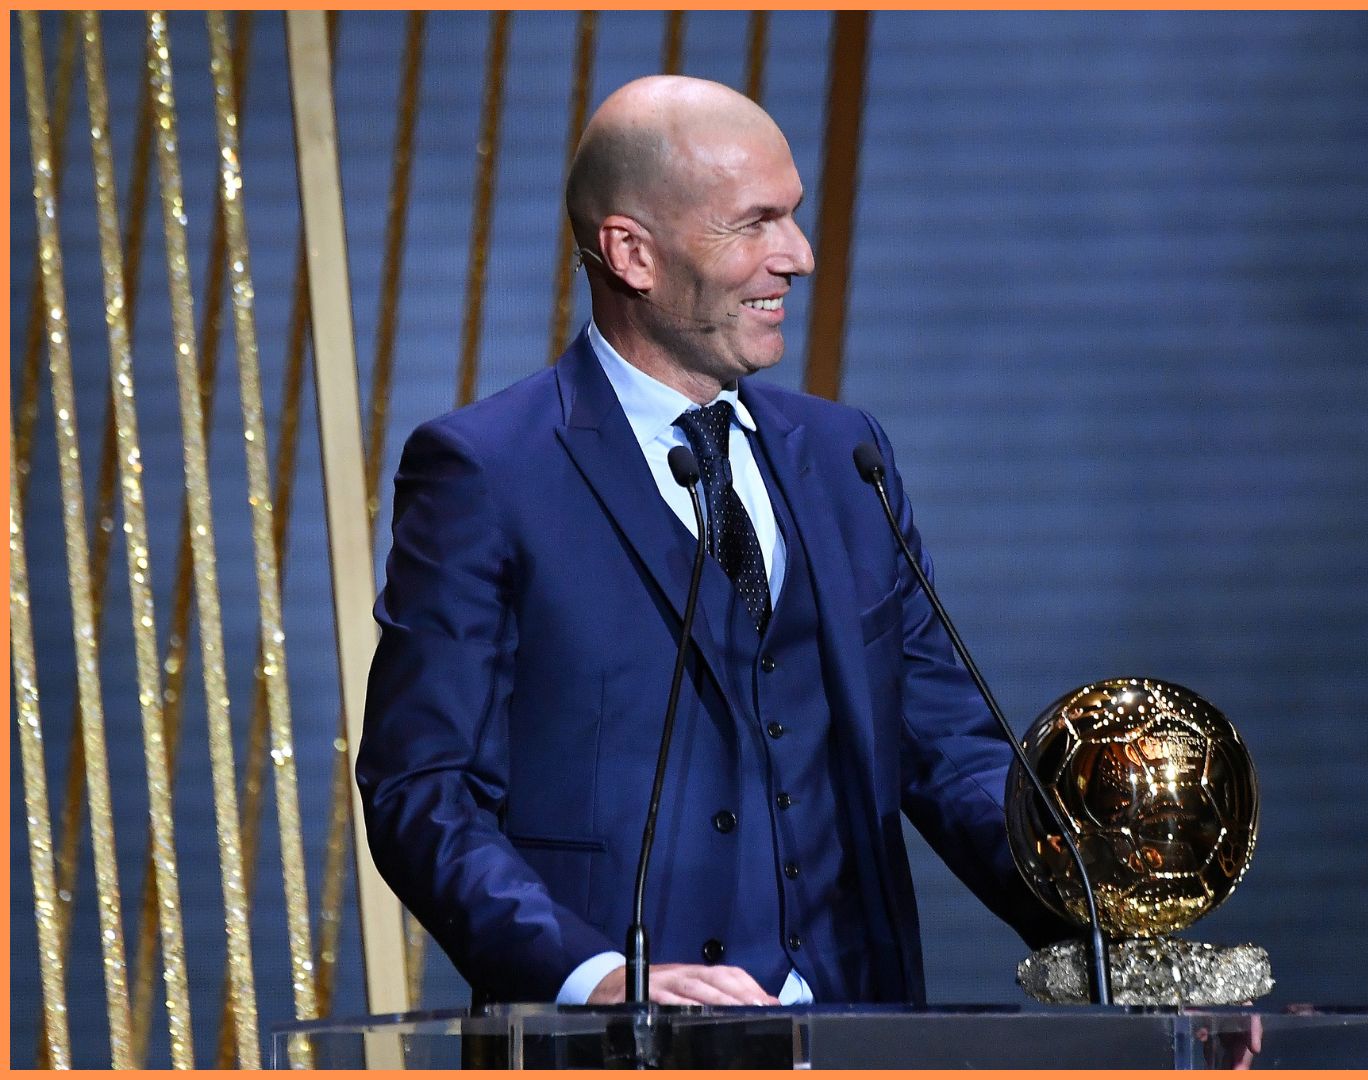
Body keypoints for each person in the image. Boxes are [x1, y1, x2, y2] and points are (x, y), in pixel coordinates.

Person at [356, 75, 1066, 1008]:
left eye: (795, 218)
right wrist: (597, 977)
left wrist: (1113, 940)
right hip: (620, 1054)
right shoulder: (485, 473)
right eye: (755, 223)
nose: (799, 256)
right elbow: (425, 791)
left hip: (861, 1038)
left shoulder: (843, 457)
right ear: (631, 253)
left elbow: (950, 753)